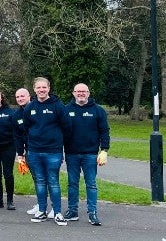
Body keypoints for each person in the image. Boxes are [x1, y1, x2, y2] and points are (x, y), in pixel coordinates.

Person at [23, 77, 70, 226]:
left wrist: (58, 144)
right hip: (34, 151)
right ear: (34, 89)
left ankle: (57, 213)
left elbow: (66, 126)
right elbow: (26, 127)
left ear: (49, 88)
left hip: (53, 152)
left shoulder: (58, 106)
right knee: (40, 182)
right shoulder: (30, 107)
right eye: (38, 88)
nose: (41, 90)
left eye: (44, 87)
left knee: (53, 182)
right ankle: (42, 211)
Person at [63, 83, 110, 226]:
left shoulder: (98, 110)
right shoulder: (66, 110)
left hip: (90, 154)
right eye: (78, 91)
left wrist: (104, 150)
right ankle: (72, 211)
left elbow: (104, 131)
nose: (81, 94)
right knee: (72, 184)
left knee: (91, 184)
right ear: (73, 93)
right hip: (71, 154)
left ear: (88, 93)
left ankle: (92, 213)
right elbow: (61, 131)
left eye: (84, 92)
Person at [14, 87, 39, 215]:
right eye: (17, 97)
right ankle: (41, 204)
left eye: (22, 96)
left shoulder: (37, 108)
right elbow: (18, 136)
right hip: (29, 151)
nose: (20, 99)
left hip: (43, 149)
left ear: (29, 96)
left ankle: (53, 206)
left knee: (48, 179)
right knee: (36, 179)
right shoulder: (17, 115)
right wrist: (20, 155)